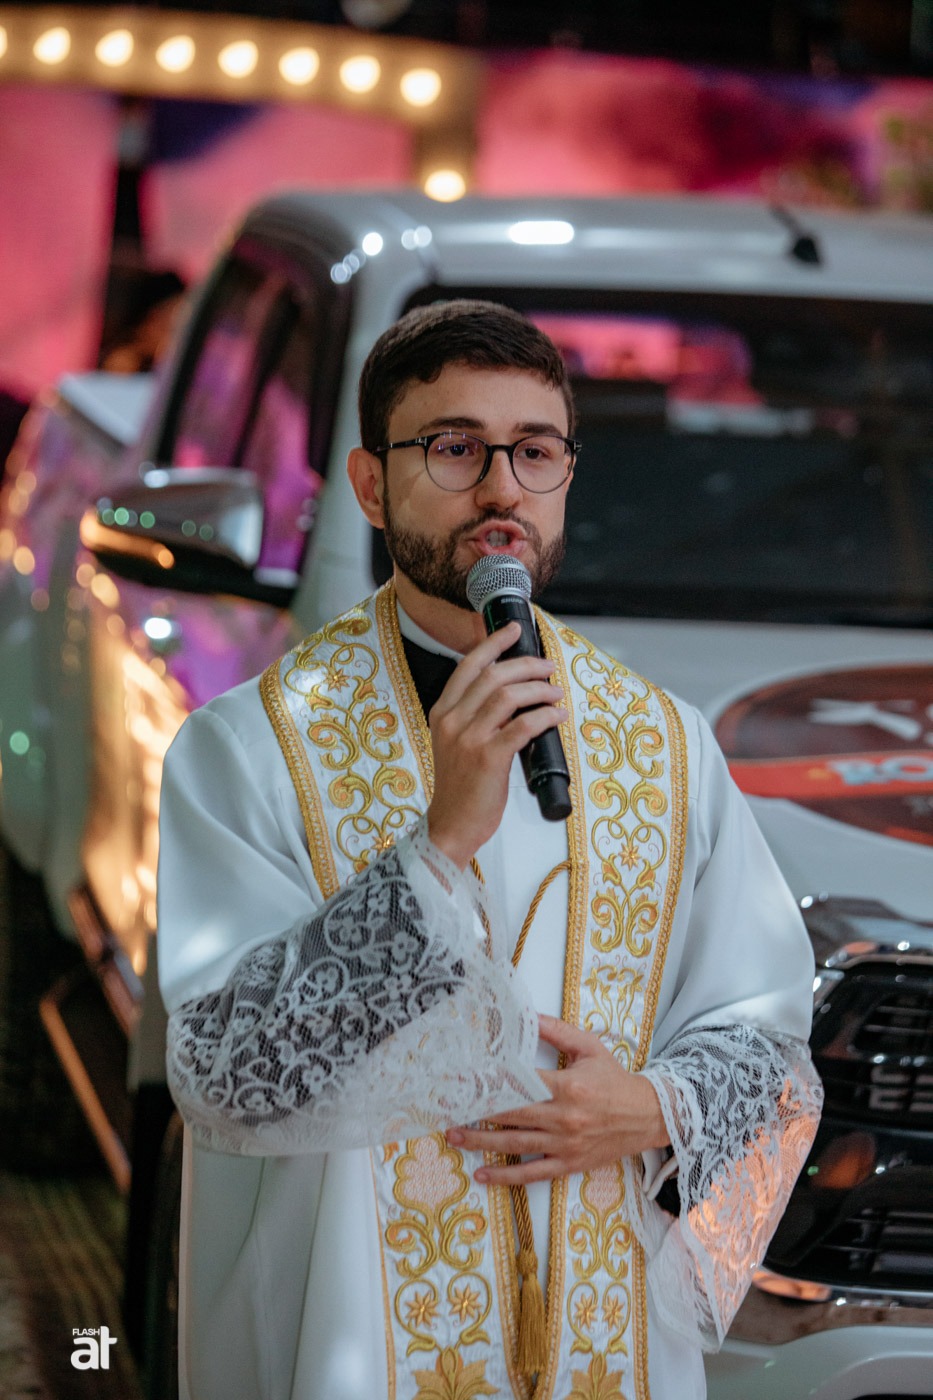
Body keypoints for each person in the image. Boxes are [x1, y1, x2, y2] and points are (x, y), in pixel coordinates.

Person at [158, 299, 822, 1400]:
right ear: (372, 485)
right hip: (353, 1347)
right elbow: (224, 1075)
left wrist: (655, 1107)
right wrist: (439, 846)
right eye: (456, 447)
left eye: (535, 451)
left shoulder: (664, 742)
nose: (502, 488)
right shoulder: (251, 749)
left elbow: (769, 1033)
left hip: (602, 1334)